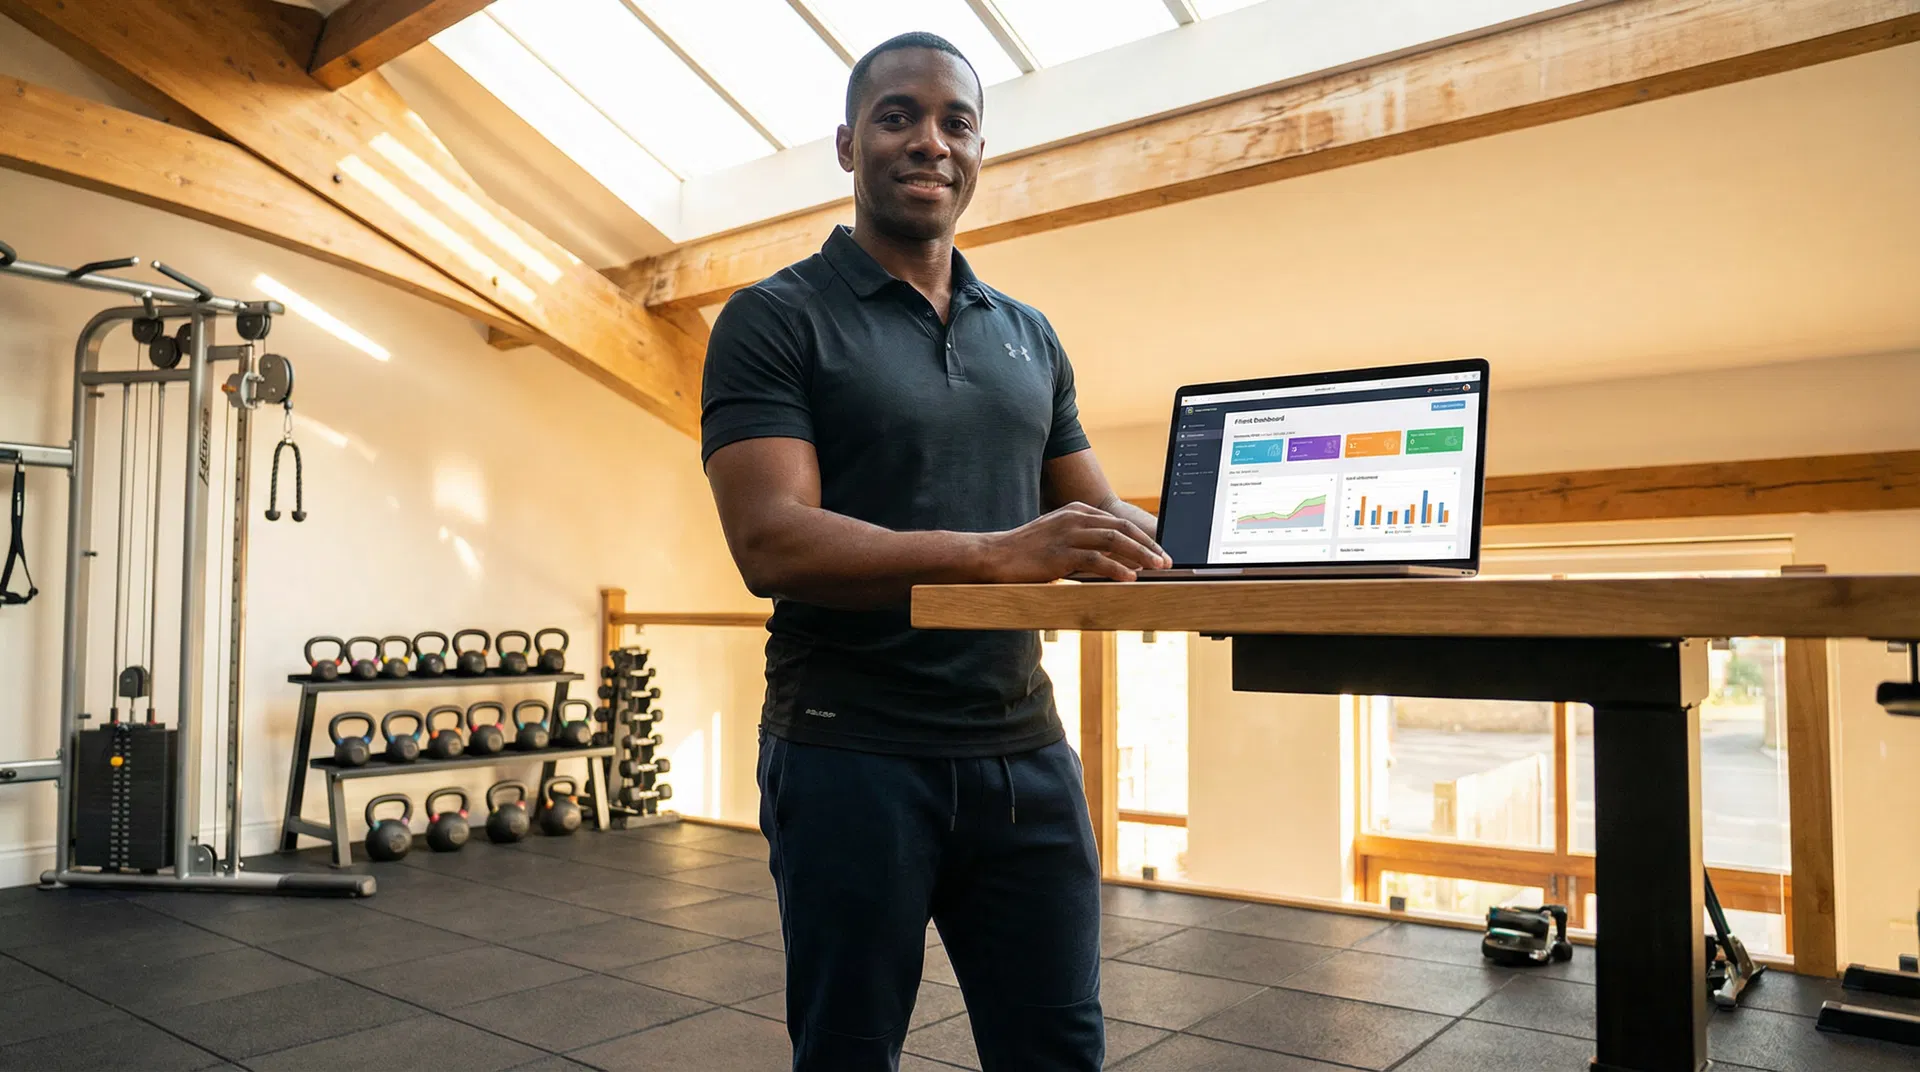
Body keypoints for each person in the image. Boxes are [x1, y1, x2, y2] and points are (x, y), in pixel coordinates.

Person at [700, 31, 1170, 1072]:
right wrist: (1004, 554)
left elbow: (1100, 521)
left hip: (1022, 751)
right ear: (847, 143)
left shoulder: (1028, 335)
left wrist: (1257, 542)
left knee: (1057, 1048)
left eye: (955, 121)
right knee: (849, 1052)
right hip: (849, 750)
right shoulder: (776, 318)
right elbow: (771, 539)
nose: (930, 142)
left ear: (979, 151)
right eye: (898, 116)